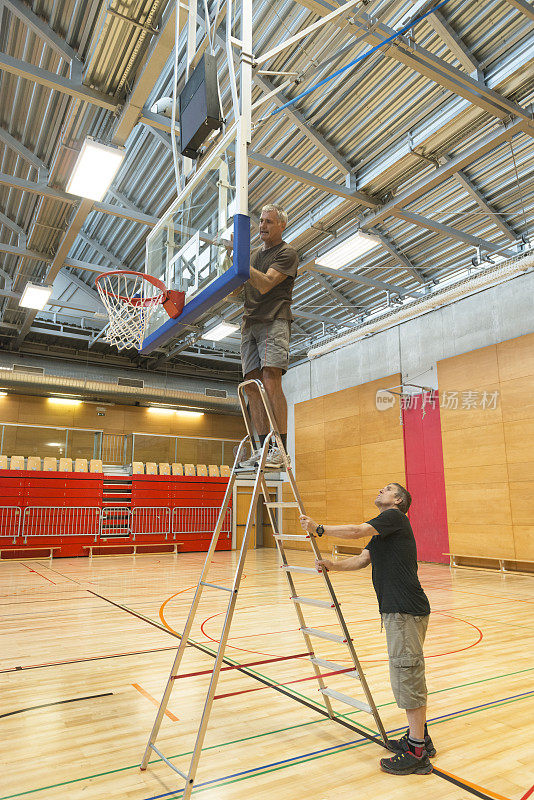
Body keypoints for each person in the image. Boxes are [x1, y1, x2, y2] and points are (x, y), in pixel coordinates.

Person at [299, 482, 434, 776]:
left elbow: (356, 530)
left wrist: (319, 529)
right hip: (399, 610)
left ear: (397, 500)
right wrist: (333, 565)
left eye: (387, 489)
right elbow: (362, 559)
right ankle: (422, 737)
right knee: (406, 671)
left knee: (406, 672)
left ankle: (417, 752)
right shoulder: (385, 528)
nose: (380, 491)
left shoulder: (394, 517)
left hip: (404, 611)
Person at [235, 204, 298, 470]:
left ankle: (280, 451)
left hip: (274, 319)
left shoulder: (287, 253)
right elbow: (239, 292)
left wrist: (239, 261)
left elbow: (264, 283)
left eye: (269, 221)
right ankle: (261, 450)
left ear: (281, 225)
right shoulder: (249, 257)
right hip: (249, 323)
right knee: (252, 387)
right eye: (260, 221)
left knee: (271, 380)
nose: (262, 226)